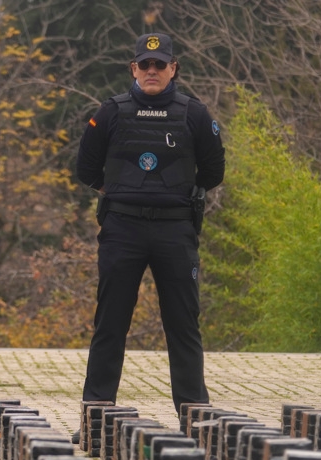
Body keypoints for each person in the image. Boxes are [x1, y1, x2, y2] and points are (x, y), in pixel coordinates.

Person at [75, 33, 225, 427]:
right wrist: (122, 193)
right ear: (134, 69)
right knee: (110, 322)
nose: (152, 71)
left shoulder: (195, 114)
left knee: (183, 325)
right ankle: (95, 416)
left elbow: (213, 172)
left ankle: (195, 419)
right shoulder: (110, 112)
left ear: (174, 68)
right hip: (122, 229)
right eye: (145, 65)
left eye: (160, 65)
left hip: (175, 233)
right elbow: (86, 169)